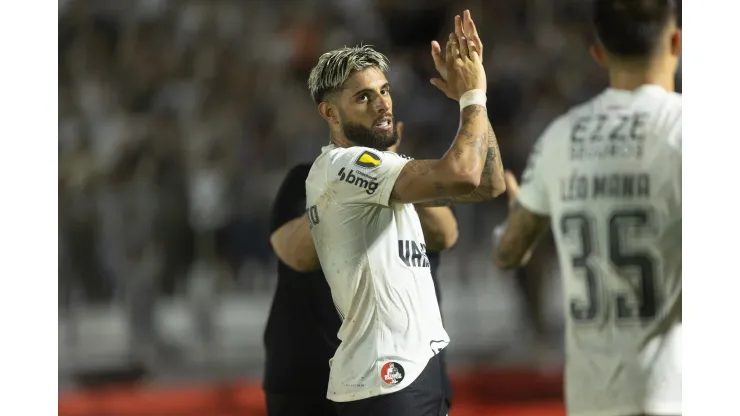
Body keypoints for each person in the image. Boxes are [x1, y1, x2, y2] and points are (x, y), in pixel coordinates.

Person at [305, 10, 505, 416]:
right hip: (385, 378)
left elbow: (489, 184)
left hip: (412, 372)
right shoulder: (343, 166)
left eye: (384, 90)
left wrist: (472, 101)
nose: (382, 104)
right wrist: (472, 96)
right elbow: (465, 174)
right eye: (363, 96)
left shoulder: (379, 171)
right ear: (330, 113)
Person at [492, 1, 682, 415]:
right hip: (675, 388)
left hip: (591, 398)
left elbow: (508, 252)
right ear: (676, 42)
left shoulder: (561, 136)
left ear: (598, 53)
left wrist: (517, 213)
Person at [264, 122, 459, 416]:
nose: (377, 112)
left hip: (404, 373)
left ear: (398, 132)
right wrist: (349, 186)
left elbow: (445, 234)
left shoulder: (416, 183)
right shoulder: (305, 180)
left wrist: (389, 177)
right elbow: (296, 254)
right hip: (309, 377)